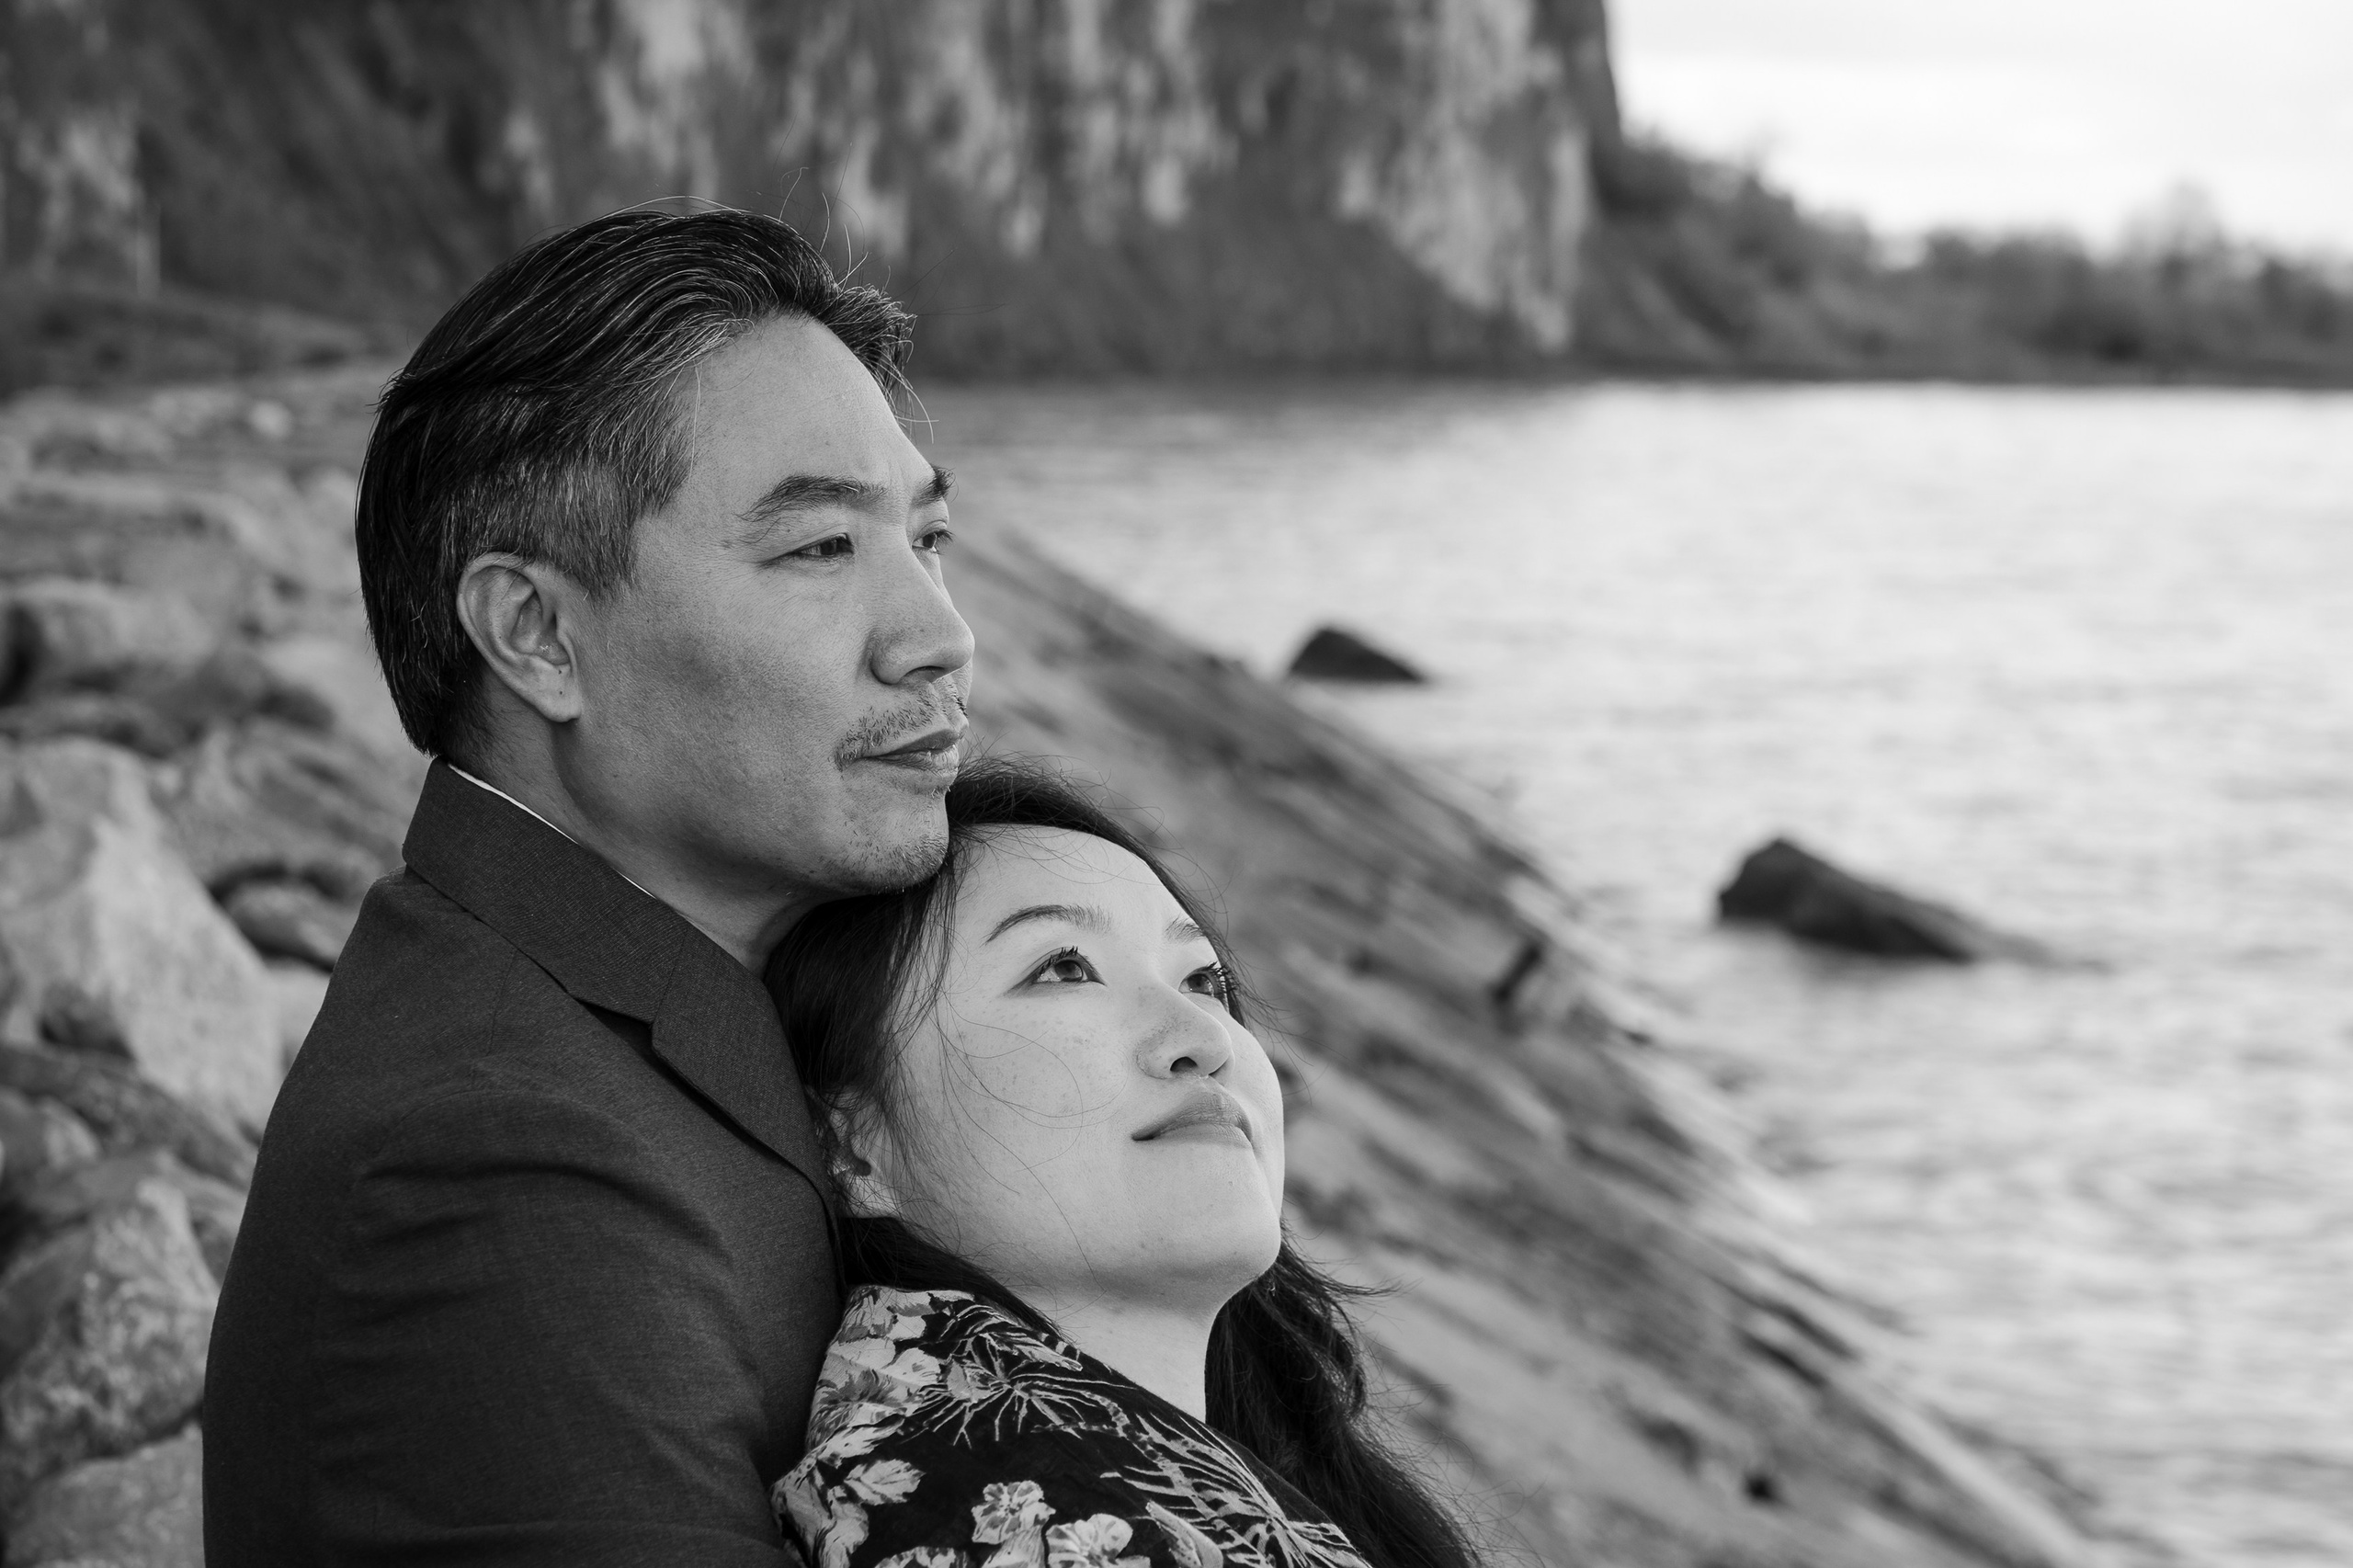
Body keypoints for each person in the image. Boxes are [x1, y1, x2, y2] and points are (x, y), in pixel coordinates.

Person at [204, 208, 973, 1563]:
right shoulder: (501, 1170)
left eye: (928, 539)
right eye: (819, 549)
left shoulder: (622, 996)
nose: (939, 637)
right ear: (537, 635)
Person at [764, 759, 1479, 1568]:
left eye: (1204, 980)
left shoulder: (1127, 1466)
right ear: (852, 1142)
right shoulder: (998, 1500)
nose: (1205, 1040)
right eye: (1064, 968)